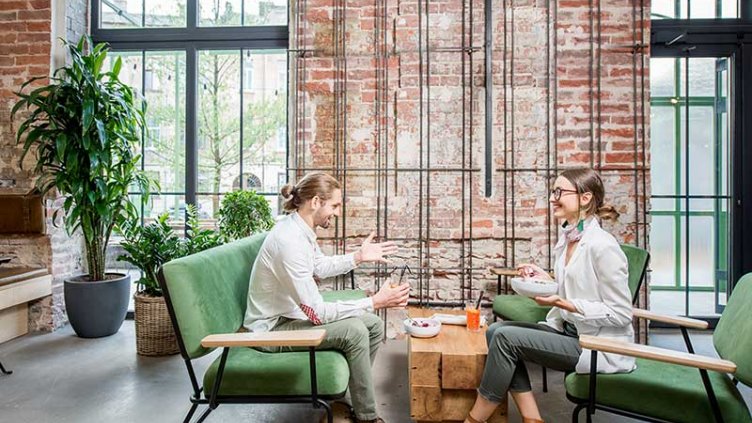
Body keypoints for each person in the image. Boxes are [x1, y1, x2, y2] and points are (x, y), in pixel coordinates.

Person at [464, 168, 636, 423]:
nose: (553, 198)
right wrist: (545, 278)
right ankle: (532, 418)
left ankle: (475, 420)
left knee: (505, 340)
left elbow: (621, 314)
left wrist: (563, 302)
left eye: (559, 192)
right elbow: (578, 286)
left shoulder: (603, 246)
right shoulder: (569, 237)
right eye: (553, 191)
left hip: (594, 344)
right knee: (494, 331)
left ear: (585, 198)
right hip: (567, 330)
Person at [244, 172, 409, 423]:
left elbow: (319, 266)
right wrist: (374, 301)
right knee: (354, 331)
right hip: (271, 329)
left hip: (290, 315)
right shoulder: (289, 241)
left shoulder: (299, 230)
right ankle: (367, 417)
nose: (338, 212)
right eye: (335, 205)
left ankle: (346, 395)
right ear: (316, 202)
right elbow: (317, 313)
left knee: (373, 325)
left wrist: (358, 257)